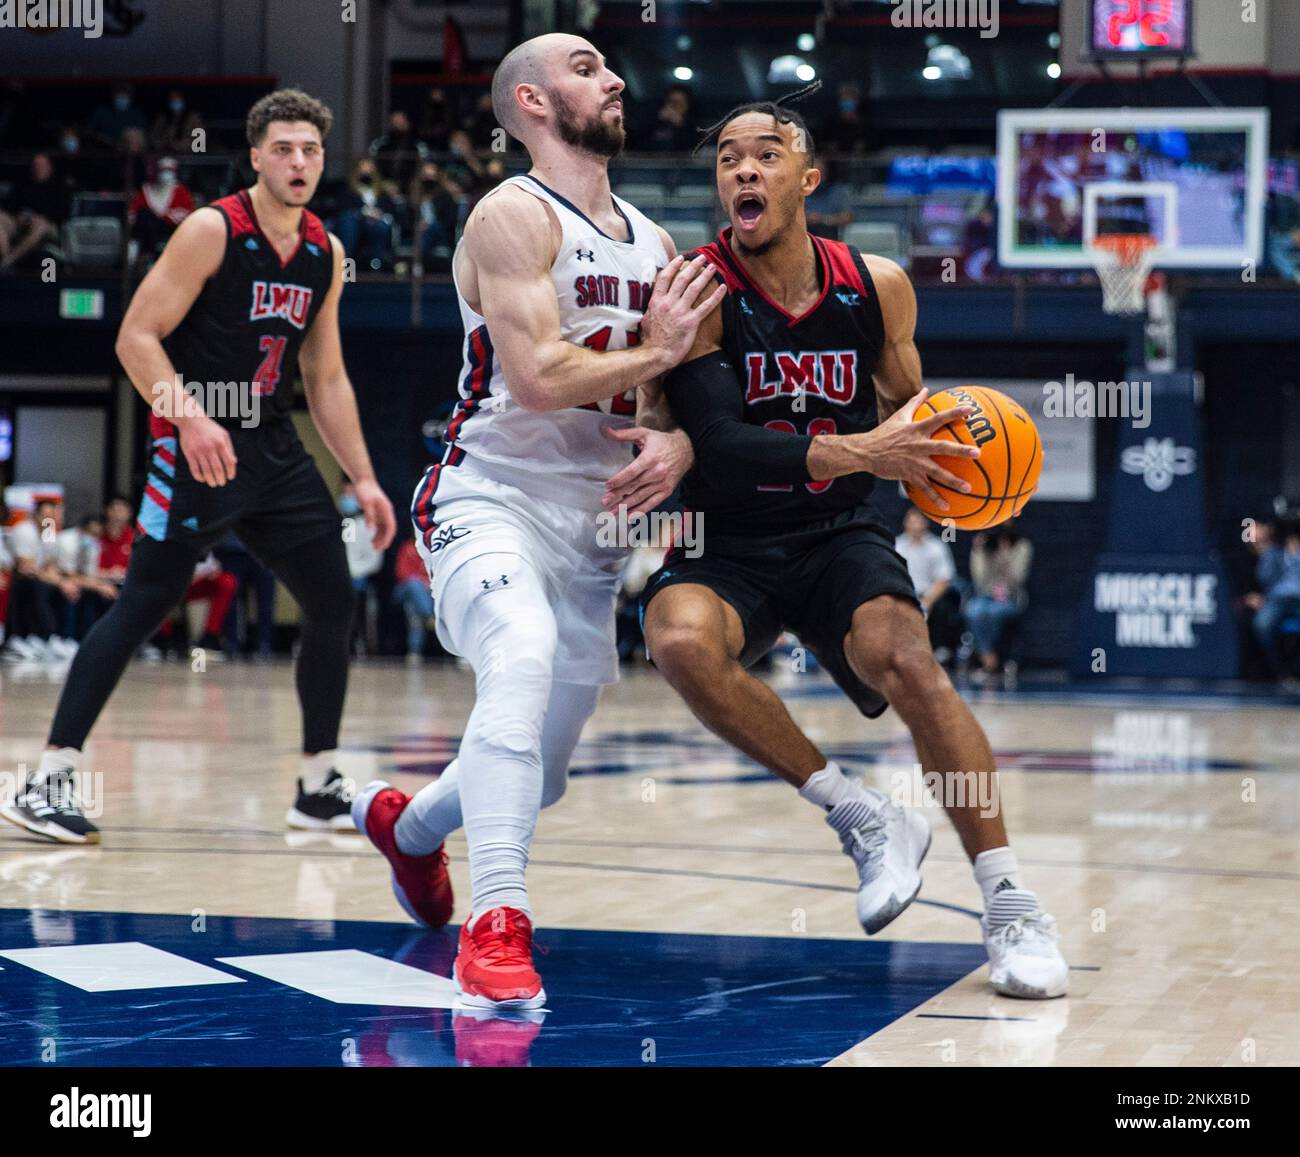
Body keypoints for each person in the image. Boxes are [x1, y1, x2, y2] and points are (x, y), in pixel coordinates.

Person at [636, 96, 1068, 999]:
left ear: (809, 178)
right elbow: (722, 443)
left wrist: (959, 459)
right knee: (675, 639)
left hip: (840, 532)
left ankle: (1011, 901)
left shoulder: (877, 285)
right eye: (727, 159)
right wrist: (864, 450)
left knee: (909, 661)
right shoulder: (696, 289)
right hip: (731, 536)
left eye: (764, 155)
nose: (743, 171)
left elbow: (912, 420)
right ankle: (862, 815)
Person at [351, 33, 721, 1011]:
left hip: (592, 533)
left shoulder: (656, 242)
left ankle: (411, 829)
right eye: (587, 65)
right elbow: (540, 376)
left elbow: (666, 401)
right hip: (489, 496)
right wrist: (659, 356)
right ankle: (499, 920)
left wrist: (673, 439)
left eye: (609, 67)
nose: (613, 78)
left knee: (536, 772)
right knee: (515, 656)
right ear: (532, 100)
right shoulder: (508, 216)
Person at [0, 89, 397, 847]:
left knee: (331, 600)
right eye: (283, 148)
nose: (298, 162)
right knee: (145, 601)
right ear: (254, 155)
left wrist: (366, 477)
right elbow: (135, 337)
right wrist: (189, 416)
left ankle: (318, 786)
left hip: (273, 448)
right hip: (194, 445)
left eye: (311, 150)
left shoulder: (326, 251)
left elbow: (328, 377)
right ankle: (49, 775)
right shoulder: (213, 229)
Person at [2, 500, 79, 660]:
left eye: (52, 516)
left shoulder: (48, 531)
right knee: (38, 587)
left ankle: (60, 638)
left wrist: (64, 583)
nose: (48, 519)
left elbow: (49, 566)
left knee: (68, 589)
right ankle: (39, 636)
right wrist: (58, 581)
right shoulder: (25, 530)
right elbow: (26, 567)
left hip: (39, 577)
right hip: (19, 579)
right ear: (35, 515)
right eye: (45, 515)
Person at [894, 505, 961, 664]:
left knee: (942, 607)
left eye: (919, 520)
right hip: (903, 593)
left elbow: (944, 579)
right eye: (912, 520)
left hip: (929, 595)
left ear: (926, 523)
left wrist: (926, 602)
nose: (915, 524)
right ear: (905, 523)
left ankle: (939, 650)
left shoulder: (937, 546)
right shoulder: (897, 545)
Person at [965, 526, 1032, 684]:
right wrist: (979, 552)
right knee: (973, 610)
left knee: (994, 613)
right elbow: (979, 580)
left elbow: (1018, 579)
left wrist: (1006, 559)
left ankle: (990, 657)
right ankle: (989, 656)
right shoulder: (984, 547)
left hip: (1010, 598)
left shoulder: (1022, 546)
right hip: (985, 596)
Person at [1, 152, 70, 271]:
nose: (37, 168)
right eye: (35, 165)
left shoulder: (60, 186)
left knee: (40, 226)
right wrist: (19, 216)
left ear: (49, 167)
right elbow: (10, 205)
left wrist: (41, 217)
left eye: (41, 165)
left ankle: (9, 260)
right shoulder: (24, 183)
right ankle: (4, 255)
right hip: (22, 222)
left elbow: (63, 212)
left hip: (49, 226)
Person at [1253, 518, 1300, 687]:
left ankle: (1296, 669)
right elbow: (1264, 578)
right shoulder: (1275, 550)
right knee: (1262, 624)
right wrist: (1267, 551)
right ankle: (1280, 670)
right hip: (1278, 598)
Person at [337, 157, 398, 272]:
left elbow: (391, 210)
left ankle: (376, 267)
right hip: (357, 222)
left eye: (369, 170)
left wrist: (379, 214)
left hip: (377, 222)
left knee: (381, 227)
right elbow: (343, 207)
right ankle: (347, 269)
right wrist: (364, 212)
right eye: (363, 170)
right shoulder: (349, 190)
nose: (366, 173)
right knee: (348, 222)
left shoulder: (382, 192)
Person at [128, 156, 195, 261]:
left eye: (169, 170)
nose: (166, 173)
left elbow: (186, 214)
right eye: (163, 170)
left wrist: (164, 216)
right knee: (144, 217)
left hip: (170, 229)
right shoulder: (146, 190)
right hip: (146, 232)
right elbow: (133, 213)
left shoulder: (181, 191)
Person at [149, 89, 204, 155]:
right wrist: (162, 144)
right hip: (165, 155)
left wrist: (181, 145)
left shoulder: (193, 117)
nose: (174, 100)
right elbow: (153, 135)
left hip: (189, 156)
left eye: (177, 97)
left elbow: (200, 139)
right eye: (172, 98)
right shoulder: (163, 117)